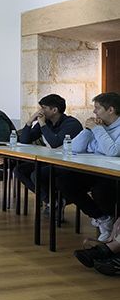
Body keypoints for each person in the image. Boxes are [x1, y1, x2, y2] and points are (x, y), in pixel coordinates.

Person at [57, 92, 120, 242]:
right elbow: (74, 148)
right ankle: (102, 218)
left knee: (101, 191)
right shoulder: (99, 126)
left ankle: (112, 223)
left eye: (97, 108)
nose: (94, 112)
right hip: (94, 169)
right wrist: (88, 129)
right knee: (64, 180)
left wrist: (97, 129)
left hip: (113, 174)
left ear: (110, 110)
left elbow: (113, 151)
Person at [13, 94, 83, 210]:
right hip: (50, 159)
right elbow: (24, 140)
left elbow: (55, 143)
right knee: (19, 170)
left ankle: (54, 201)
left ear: (54, 110)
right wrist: (30, 121)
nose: (40, 111)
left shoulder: (71, 124)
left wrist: (43, 124)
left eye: (44, 108)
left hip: (68, 162)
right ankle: (52, 201)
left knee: (36, 174)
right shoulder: (46, 122)